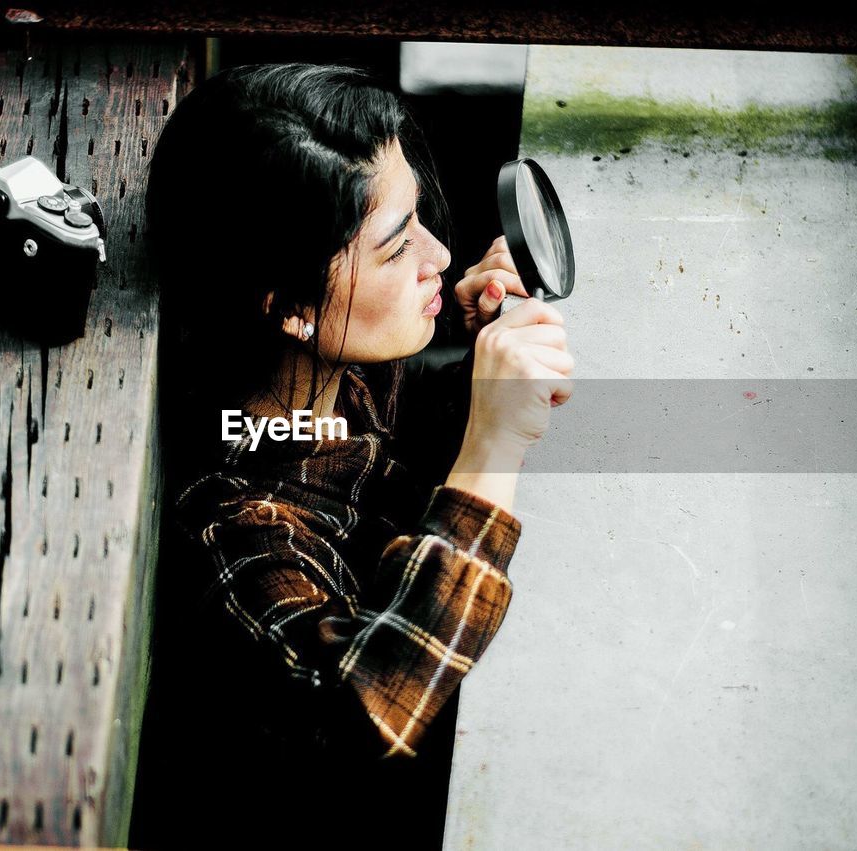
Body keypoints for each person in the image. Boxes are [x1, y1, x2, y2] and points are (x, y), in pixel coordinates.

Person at [138, 62, 572, 847]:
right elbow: (371, 704)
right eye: (399, 246)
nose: (440, 254)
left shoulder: (308, 384)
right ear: (291, 308)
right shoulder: (237, 528)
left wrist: (470, 346)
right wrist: (493, 443)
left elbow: (365, 461)